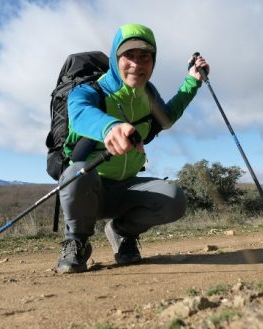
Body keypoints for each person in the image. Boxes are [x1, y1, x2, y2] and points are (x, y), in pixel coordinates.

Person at [57, 23, 209, 273]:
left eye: (144, 57)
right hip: (91, 189)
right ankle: (77, 241)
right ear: (116, 57)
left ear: (153, 61)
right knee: (76, 173)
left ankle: (121, 232)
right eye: (129, 56)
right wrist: (109, 127)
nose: (136, 64)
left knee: (174, 199)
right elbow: (80, 112)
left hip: (127, 186)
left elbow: (166, 117)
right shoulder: (90, 91)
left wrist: (193, 80)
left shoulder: (147, 94)